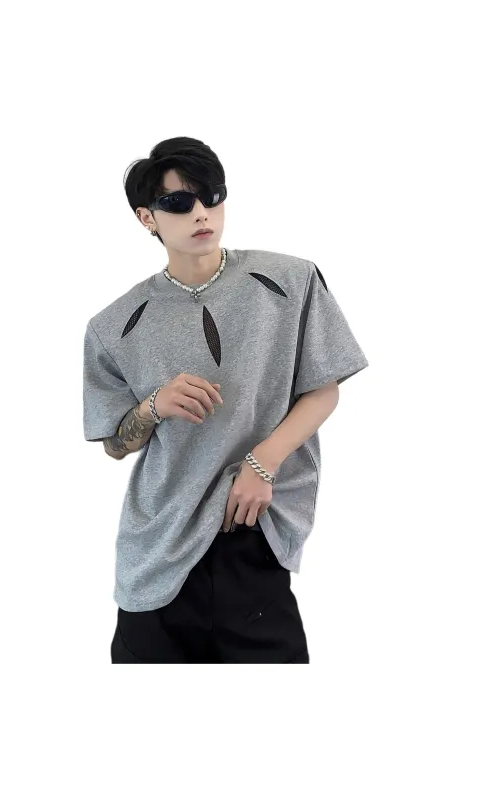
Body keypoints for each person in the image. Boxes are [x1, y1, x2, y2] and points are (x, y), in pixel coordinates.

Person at [83, 136, 369, 663]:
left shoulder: (289, 281)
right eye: (178, 202)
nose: (201, 212)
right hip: (157, 547)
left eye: (212, 195)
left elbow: (323, 387)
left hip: (251, 529)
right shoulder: (113, 326)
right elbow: (115, 444)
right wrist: (153, 406)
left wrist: (263, 463)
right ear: (147, 218)